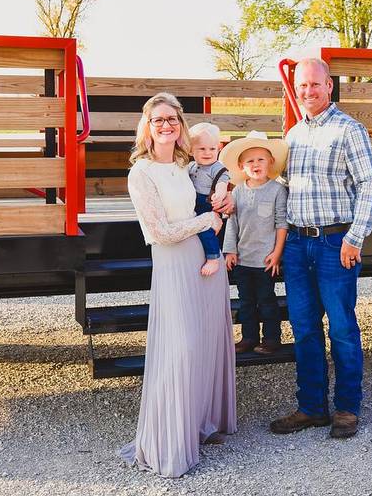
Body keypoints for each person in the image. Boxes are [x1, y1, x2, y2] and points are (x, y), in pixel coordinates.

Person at [120, 92, 236, 478]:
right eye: (158, 120)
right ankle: (168, 442)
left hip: (204, 261)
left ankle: (201, 425)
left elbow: (213, 192)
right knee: (180, 347)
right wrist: (207, 223)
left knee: (207, 341)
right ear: (147, 127)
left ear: (181, 125)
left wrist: (225, 204)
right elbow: (159, 232)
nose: (166, 125)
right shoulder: (141, 173)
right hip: (173, 263)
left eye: (172, 119)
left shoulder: (186, 165)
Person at [270, 58, 372, 440]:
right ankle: (312, 407)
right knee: (303, 328)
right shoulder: (293, 135)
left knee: (343, 329)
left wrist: (355, 237)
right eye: (302, 86)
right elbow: (280, 186)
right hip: (298, 244)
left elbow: (370, 183)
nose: (308, 92)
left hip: (336, 242)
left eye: (315, 85)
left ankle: (347, 408)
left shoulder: (348, 129)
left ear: (329, 86)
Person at [219, 130, 289, 355]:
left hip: (266, 260)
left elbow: (282, 224)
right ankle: (249, 337)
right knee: (246, 302)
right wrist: (229, 250)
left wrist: (277, 253)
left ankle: (271, 339)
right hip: (243, 259)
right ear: (241, 166)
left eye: (261, 159)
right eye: (250, 160)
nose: (256, 164)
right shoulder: (238, 192)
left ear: (270, 162)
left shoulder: (277, 190)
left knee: (267, 301)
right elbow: (232, 223)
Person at [188, 122, 231, 277]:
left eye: (212, 149)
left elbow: (222, 182)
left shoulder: (217, 167)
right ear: (192, 150)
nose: (208, 153)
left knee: (205, 229)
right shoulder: (191, 166)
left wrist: (220, 194)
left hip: (207, 203)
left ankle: (213, 257)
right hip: (192, 203)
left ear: (218, 149)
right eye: (202, 149)